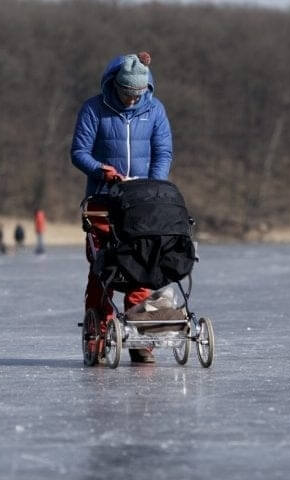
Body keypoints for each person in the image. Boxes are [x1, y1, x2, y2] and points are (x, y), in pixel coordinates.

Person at [71, 51, 173, 364]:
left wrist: (152, 187)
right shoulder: (93, 109)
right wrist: (101, 170)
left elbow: (163, 152)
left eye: (138, 94)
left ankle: (144, 338)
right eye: (127, 93)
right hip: (102, 201)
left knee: (144, 265)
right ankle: (99, 333)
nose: (131, 100)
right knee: (102, 268)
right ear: (115, 85)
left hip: (142, 204)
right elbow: (78, 152)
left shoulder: (155, 110)